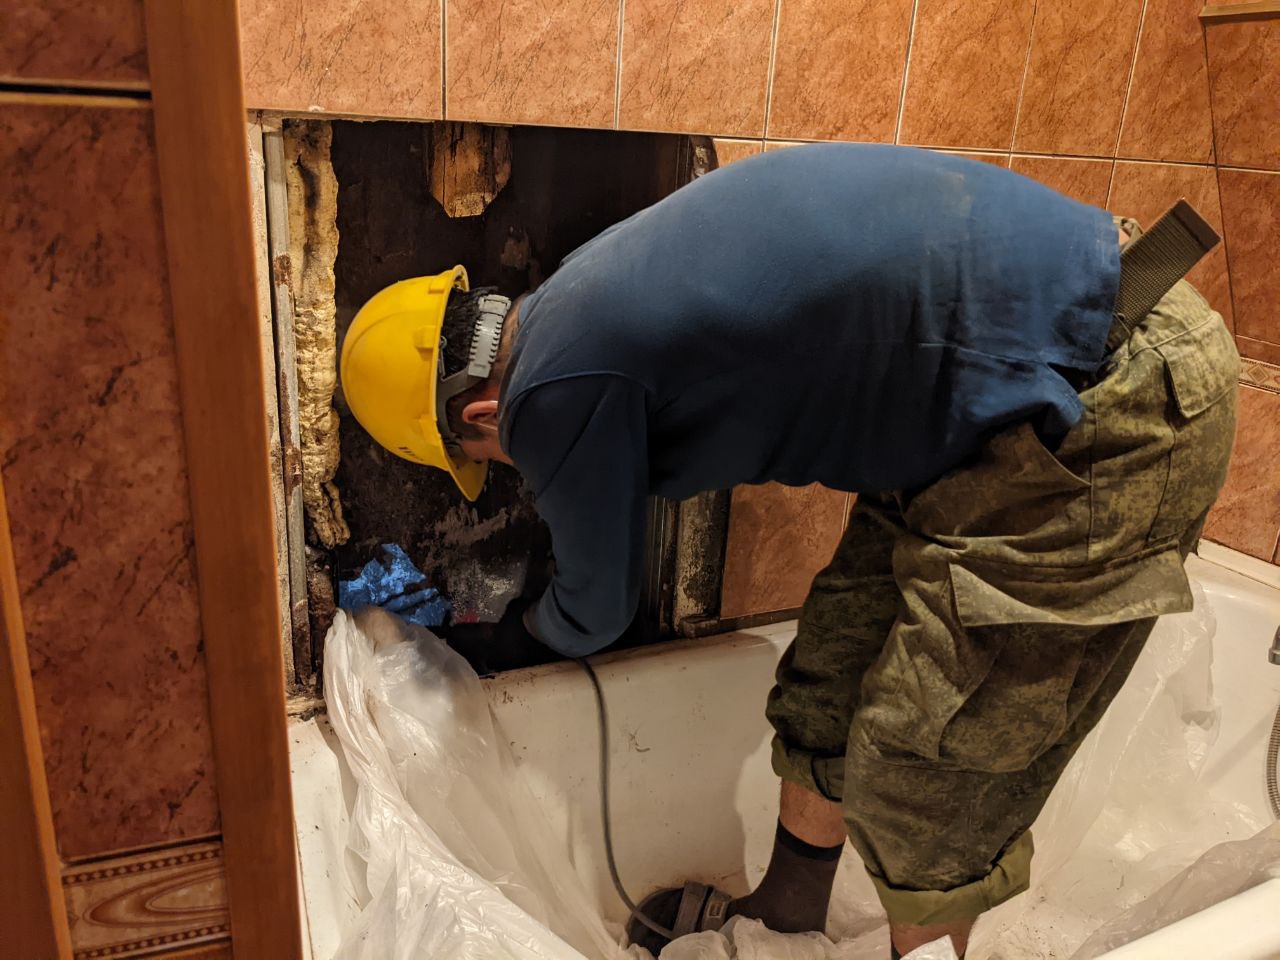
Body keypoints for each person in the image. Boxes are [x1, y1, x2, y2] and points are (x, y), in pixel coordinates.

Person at [339, 143, 1238, 958]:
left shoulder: (549, 388)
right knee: (830, 675)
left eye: (487, 458)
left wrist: (498, 639)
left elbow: (594, 609)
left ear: (480, 414)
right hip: (987, 414)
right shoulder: (570, 303)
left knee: (927, 767)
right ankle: (784, 924)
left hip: (1102, 393)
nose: (515, 467)